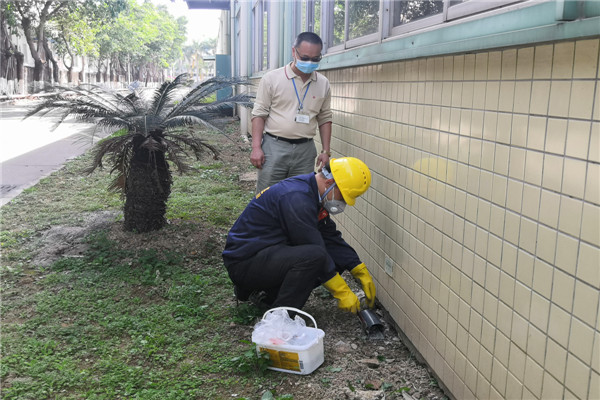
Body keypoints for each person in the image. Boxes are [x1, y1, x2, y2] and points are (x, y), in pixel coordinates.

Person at [222, 157, 376, 314]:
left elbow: (329, 237)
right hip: (244, 262)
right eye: (343, 196)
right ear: (329, 183)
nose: (341, 202)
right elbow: (314, 247)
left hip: (263, 253)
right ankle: (280, 319)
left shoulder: (310, 192)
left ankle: (266, 295)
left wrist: (357, 268)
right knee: (315, 257)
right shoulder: (297, 198)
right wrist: (342, 291)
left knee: (334, 258)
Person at [250, 31, 333, 193]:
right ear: (294, 52)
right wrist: (256, 147)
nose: (310, 62)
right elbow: (259, 114)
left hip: (305, 150)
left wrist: (325, 151)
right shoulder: (272, 79)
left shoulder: (323, 83)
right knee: (267, 195)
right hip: (274, 147)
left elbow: (325, 118)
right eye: (305, 57)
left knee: (299, 196)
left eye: (315, 59)